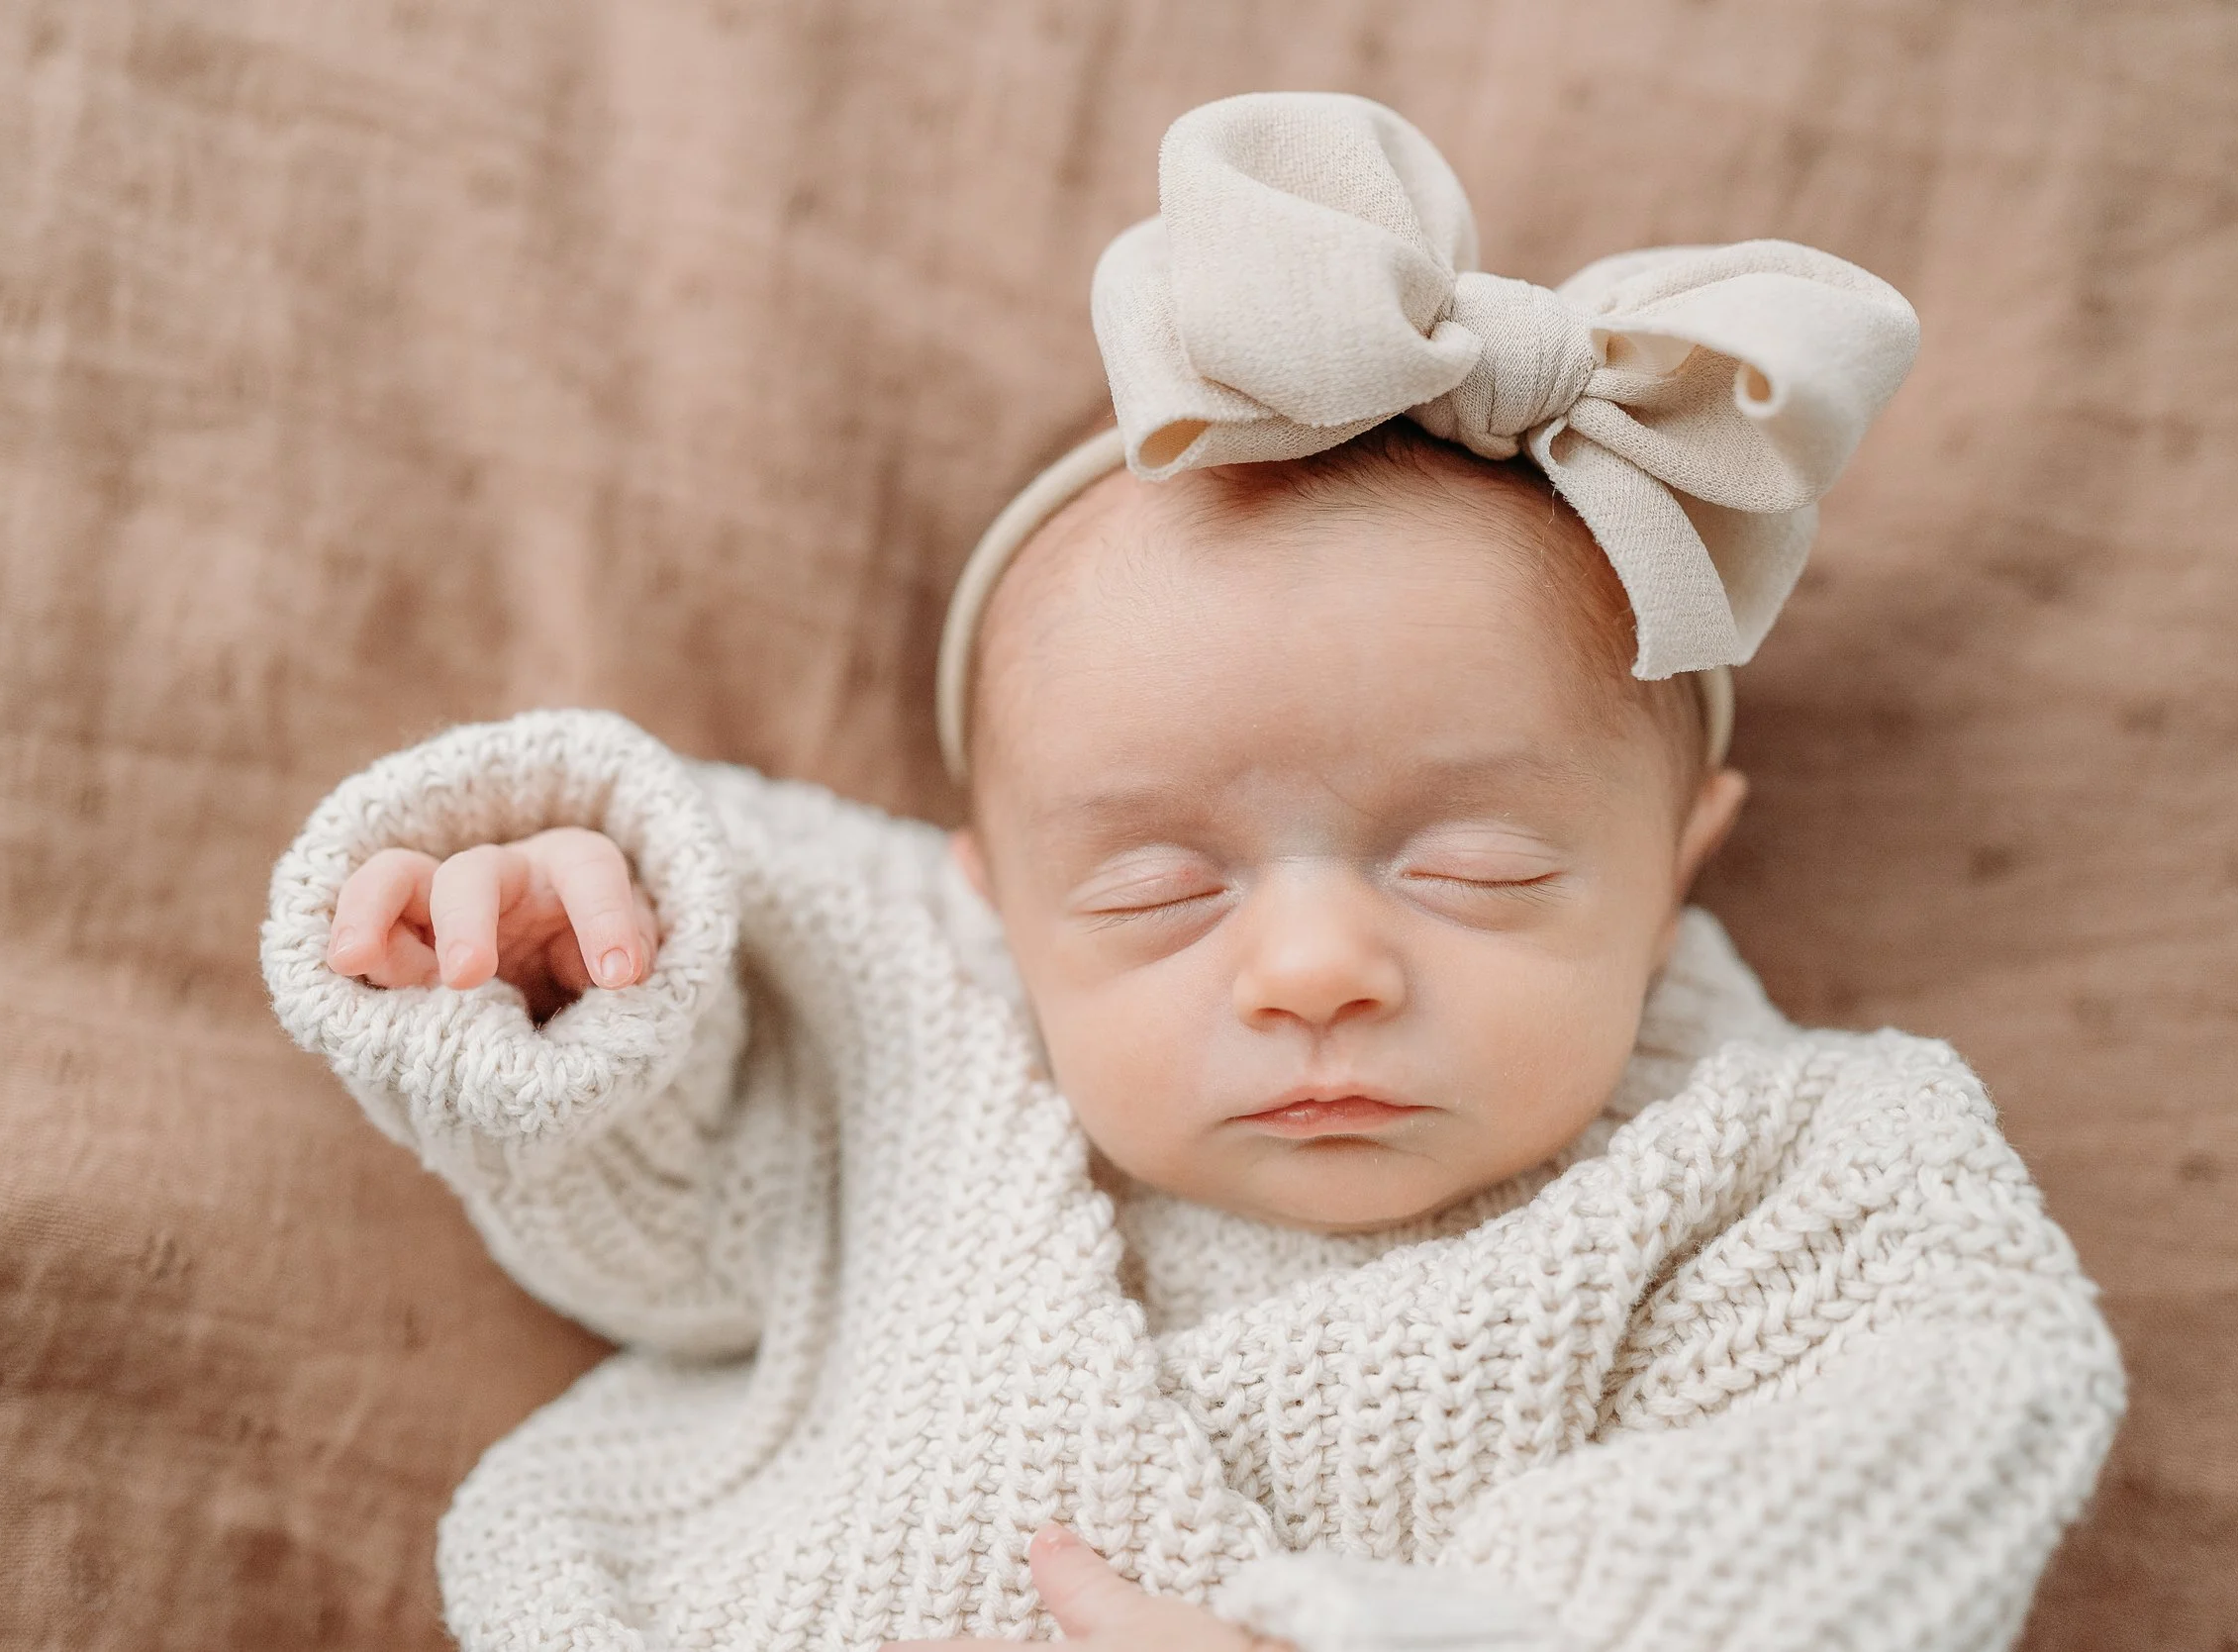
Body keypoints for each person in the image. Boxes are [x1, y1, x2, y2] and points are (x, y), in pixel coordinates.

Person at [262, 92, 2122, 1652]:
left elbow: (1934, 1435)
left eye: (1474, 866)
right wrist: (570, 986)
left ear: (1675, 870)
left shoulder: (1787, 1179)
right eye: (1158, 890)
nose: (1315, 964)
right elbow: (663, 1241)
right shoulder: (925, 1009)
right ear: (997, 887)